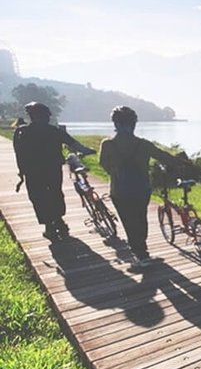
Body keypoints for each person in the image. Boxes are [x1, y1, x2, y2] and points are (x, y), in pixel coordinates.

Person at [99, 106, 187, 271]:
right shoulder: (144, 144)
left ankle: (140, 255)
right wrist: (181, 162)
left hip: (119, 190)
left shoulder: (108, 144)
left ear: (115, 123)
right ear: (134, 124)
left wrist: (116, 173)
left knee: (129, 221)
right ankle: (143, 251)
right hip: (142, 189)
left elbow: (103, 163)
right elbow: (164, 156)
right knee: (140, 218)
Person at [13, 102, 96, 241]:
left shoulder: (23, 132)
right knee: (54, 193)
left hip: (33, 172)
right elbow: (74, 144)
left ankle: (50, 225)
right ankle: (58, 221)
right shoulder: (54, 131)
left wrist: (21, 172)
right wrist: (88, 151)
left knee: (38, 196)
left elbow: (19, 154)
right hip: (52, 169)